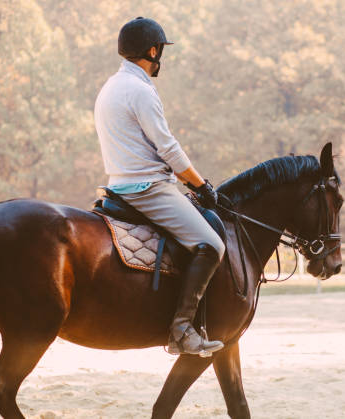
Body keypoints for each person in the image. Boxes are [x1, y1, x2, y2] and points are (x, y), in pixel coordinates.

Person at [94, 17, 225, 356]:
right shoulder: (141, 90)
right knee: (211, 244)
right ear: (152, 51)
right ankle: (182, 330)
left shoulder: (110, 86)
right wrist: (201, 185)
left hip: (118, 184)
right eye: (160, 51)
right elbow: (168, 149)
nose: (160, 58)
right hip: (148, 189)